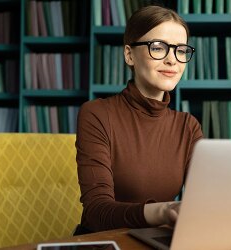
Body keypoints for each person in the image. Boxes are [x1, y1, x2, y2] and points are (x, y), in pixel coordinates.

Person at [74, 5, 202, 234]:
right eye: (158, 47)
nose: (173, 60)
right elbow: (96, 212)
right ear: (129, 55)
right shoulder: (97, 114)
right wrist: (163, 212)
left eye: (181, 50)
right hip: (106, 243)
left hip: (159, 241)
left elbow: (205, 202)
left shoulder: (188, 126)